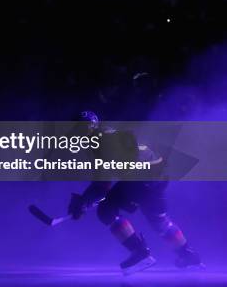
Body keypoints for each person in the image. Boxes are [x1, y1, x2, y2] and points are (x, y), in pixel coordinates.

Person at [68, 111, 203, 275]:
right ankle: (188, 255)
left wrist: (84, 201)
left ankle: (141, 254)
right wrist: (85, 200)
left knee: (106, 210)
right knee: (159, 221)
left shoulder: (98, 142)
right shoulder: (105, 134)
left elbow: (102, 184)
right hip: (158, 176)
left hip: (142, 177)